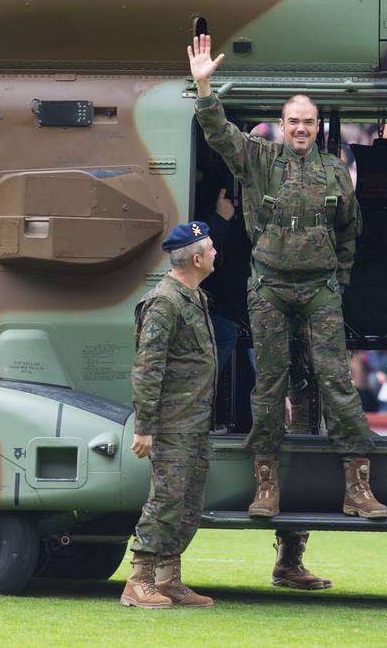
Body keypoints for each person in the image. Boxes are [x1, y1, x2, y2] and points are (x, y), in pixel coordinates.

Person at [188, 35, 387, 526]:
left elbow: (349, 232)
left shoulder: (335, 171)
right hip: (270, 288)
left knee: (338, 382)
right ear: (282, 126)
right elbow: (218, 133)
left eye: (308, 122)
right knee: (269, 386)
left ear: (317, 128)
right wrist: (204, 87)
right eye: (293, 122)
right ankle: (265, 485)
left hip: (320, 289)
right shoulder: (259, 160)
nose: (301, 129)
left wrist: (337, 282)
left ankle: (358, 487)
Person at [121, 221, 220, 610]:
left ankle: (168, 578)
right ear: (196, 258)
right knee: (165, 500)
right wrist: (145, 427)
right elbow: (148, 369)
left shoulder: (195, 297)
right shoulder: (165, 302)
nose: (215, 254)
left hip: (194, 423)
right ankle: (139, 580)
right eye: (211, 249)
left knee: (187, 504)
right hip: (172, 424)